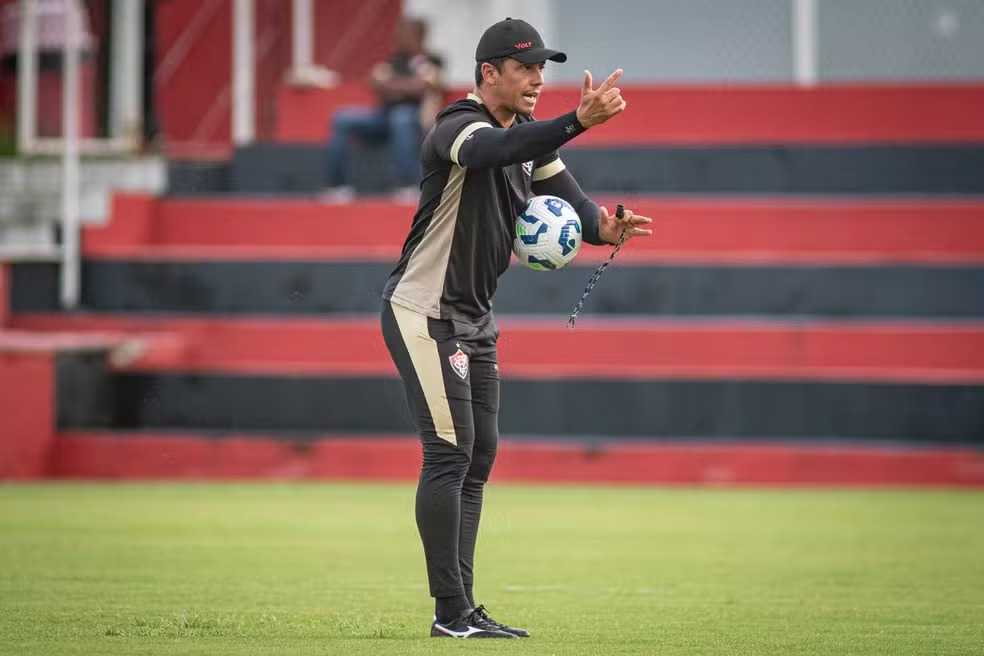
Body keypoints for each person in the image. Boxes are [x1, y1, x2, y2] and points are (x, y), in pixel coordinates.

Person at [380, 17, 652, 639]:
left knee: (478, 454)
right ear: (488, 73)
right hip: (423, 311)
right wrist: (577, 120)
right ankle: (451, 613)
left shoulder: (528, 140)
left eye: (541, 70)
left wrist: (604, 226)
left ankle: (463, 609)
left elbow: (580, 209)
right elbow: (491, 152)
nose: (537, 80)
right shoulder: (457, 127)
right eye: (525, 68)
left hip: (474, 318)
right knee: (448, 453)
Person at [322, 17, 444, 202]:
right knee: (342, 118)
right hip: (384, 117)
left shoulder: (433, 59)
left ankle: (407, 186)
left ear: (419, 36)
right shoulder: (395, 59)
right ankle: (337, 187)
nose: (398, 38)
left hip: (415, 119)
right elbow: (375, 81)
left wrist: (393, 85)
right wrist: (409, 86)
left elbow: (428, 85)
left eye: (404, 33)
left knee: (401, 117)